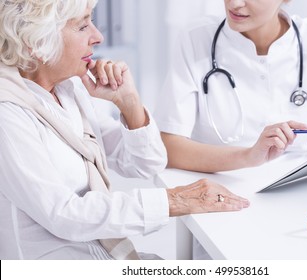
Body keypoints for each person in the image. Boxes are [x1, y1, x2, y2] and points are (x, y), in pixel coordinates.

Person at [0, 0, 249, 260]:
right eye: (83, 26)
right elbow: (63, 214)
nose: (98, 36)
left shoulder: (68, 89)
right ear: (36, 42)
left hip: (98, 255)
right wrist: (174, 201)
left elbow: (146, 163)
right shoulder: (8, 112)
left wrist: (129, 103)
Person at [154, 0, 307, 175]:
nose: (235, 3)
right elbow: (168, 147)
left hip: (294, 188)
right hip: (217, 189)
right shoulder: (196, 40)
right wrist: (248, 156)